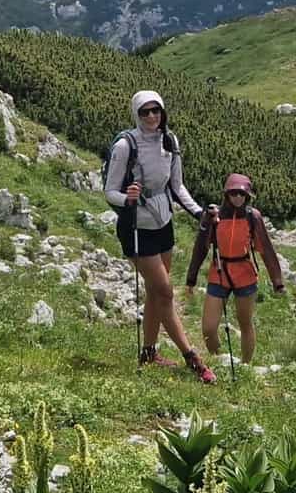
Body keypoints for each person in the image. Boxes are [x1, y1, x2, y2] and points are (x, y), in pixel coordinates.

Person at [105, 89, 215, 384]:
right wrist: (127, 198)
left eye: (156, 110)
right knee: (165, 292)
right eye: (145, 112)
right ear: (136, 114)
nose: (152, 116)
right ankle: (192, 357)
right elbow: (110, 191)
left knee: (155, 292)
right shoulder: (125, 146)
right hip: (136, 228)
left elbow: (177, 186)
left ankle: (149, 353)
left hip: (163, 222)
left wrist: (198, 212)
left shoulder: (170, 140)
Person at [186, 174, 286, 366]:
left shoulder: (252, 217)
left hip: (245, 275)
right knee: (208, 328)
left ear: (247, 196)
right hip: (219, 273)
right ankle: (219, 361)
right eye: (234, 193)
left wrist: (278, 282)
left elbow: (266, 249)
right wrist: (191, 278)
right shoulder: (214, 217)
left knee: (245, 323)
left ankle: (245, 366)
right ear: (227, 194)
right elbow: (200, 247)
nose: (238, 197)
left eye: (242, 194)